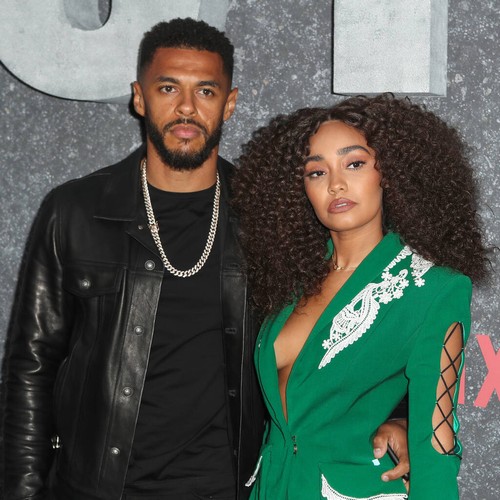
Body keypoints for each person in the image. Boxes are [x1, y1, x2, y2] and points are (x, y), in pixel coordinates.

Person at [1, 19, 409, 500]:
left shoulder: (268, 217)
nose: (186, 107)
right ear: (139, 98)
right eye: (168, 88)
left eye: (206, 91)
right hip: (98, 488)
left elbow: (356, 317)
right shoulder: (75, 211)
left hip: (228, 487)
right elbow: (31, 366)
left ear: (229, 104)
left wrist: (399, 414)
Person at [232, 95, 488, 499]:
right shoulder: (288, 278)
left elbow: (436, 443)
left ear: (389, 171)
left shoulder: (435, 288)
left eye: (354, 164)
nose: (335, 184)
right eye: (316, 172)